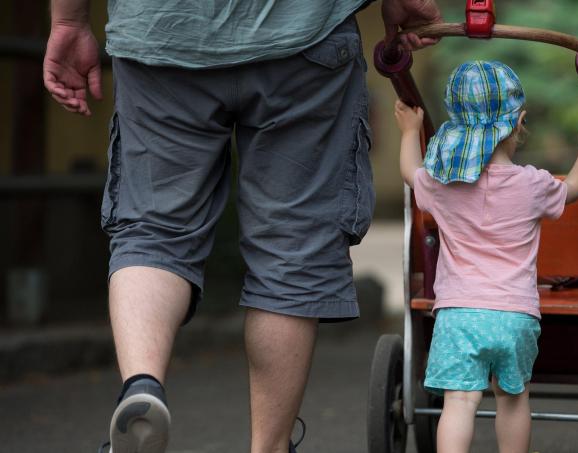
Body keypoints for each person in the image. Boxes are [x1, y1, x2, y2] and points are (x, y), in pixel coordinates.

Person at [42, 1, 440, 452]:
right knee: (290, 251)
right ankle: (267, 447)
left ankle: (142, 385)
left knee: (153, 231)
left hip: (161, 34)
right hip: (303, 38)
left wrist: (70, 21)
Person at [394, 60, 578, 453]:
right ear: (519, 121)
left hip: (458, 313)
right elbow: (575, 188)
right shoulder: (532, 184)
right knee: (513, 400)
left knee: (459, 403)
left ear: (456, 126)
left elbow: (411, 172)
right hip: (515, 315)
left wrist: (410, 132)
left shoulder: (443, 185)